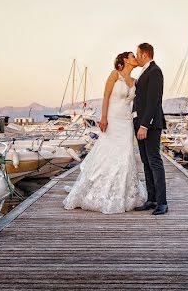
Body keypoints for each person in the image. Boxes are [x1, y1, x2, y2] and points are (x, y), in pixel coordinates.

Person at [63, 51, 147, 214]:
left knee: (125, 155)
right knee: (106, 153)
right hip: (112, 119)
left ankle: (122, 193)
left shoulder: (135, 81)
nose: (135, 58)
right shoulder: (115, 74)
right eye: (132, 56)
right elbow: (106, 96)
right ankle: (97, 191)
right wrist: (103, 117)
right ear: (125, 60)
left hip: (127, 122)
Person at [133, 42, 167, 215]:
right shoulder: (144, 72)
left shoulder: (155, 71)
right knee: (146, 162)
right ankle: (152, 199)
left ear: (144, 55)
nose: (136, 57)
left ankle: (162, 202)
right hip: (141, 125)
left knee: (154, 161)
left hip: (151, 126)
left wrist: (144, 125)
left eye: (137, 54)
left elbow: (153, 101)